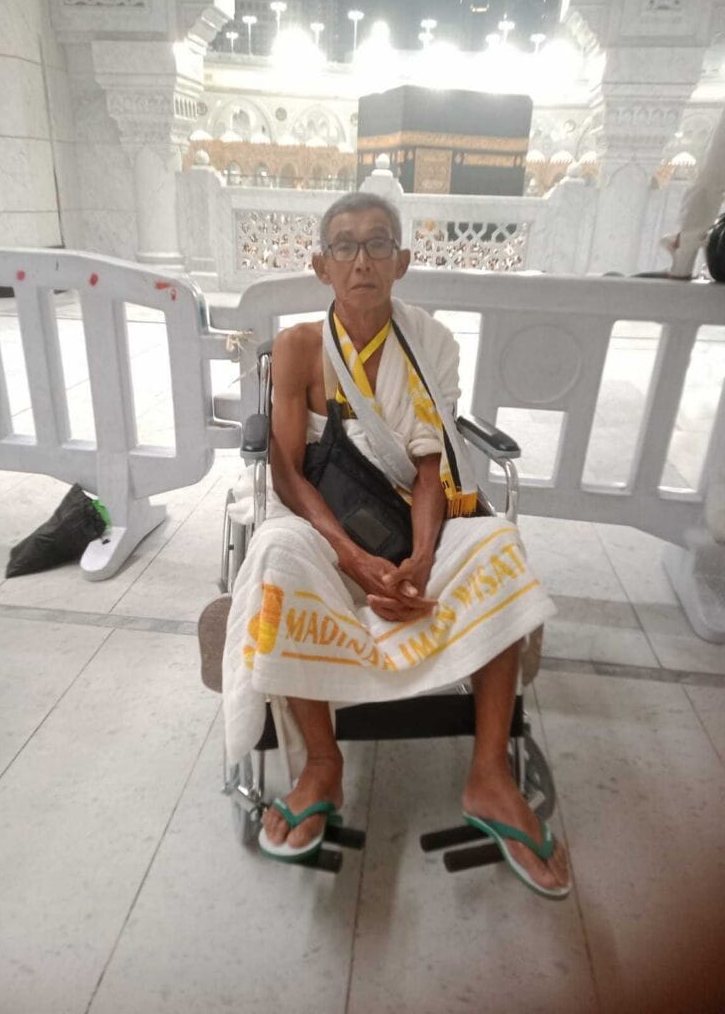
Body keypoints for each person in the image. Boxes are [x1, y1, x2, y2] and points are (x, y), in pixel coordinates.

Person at [222, 191, 570, 898]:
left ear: (402, 261)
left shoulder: (430, 342)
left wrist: (420, 559)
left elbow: (430, 465)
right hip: (325, 533)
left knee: (496, 542)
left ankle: (489, 775)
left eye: (378, 243)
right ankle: (322, 765)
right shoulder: (297, 348)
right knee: (277, 553)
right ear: (321, 265)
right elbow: (287, 471)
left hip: (413, 524)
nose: (362, 261)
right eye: (344, 246)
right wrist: (353, 557)